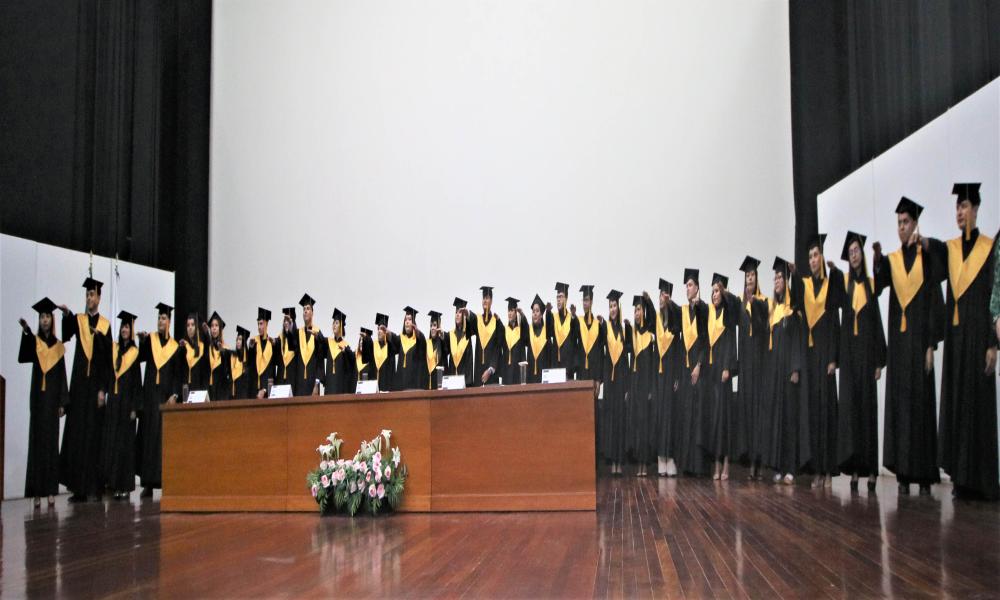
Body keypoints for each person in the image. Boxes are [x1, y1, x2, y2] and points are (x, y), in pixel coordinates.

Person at [931, 182, 998, 500]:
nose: (959, 211)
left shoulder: (989, 247)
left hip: (978, 341)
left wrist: (992, 344)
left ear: (976, 210)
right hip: (958, 343)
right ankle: (960, 477)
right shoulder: (951, 251)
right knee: (959, 405)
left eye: (965, 206)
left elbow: (992, 298)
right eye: (957, 207)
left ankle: (981, 480)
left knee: (979, 407)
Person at [872, 197, 943, 495]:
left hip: (919, 347)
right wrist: (876, 261)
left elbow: (933, 302)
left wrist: (930, 346)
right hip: (900, 349)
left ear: (915, 225)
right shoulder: (892, 261)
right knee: (901, 409)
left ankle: (925, 476)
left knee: (922, 410)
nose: (901, 227)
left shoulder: (926, 258)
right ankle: (902, 475)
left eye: (906, 222)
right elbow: (877, 287)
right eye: (899, 223)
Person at [790, 234, 844, 488]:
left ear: (822, 258)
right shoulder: (806, 287)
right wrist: (793, 275)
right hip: (810, 359)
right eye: (810, 256)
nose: (813, 260)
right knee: (812, 412)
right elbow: (795, 306)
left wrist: (834, 358)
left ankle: (827, 470)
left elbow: (834, 323)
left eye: (815, 255)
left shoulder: (829, 286)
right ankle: (816, 471)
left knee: (826, 413)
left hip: (825, 358)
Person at [834, 232, 886, 492]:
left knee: (868, 411)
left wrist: (879, 361)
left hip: (866, 358)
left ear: (861, 256)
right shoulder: (846, 287)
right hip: (850, 359)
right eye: (851, 251)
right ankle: (855, 469)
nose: (854, 254)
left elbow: (876, 323)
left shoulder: (870, 285)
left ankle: (872, 471)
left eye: (857, 251)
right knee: (853, 414)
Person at [57, 277, 111, 502]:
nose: (89, 298)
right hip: (80, 386)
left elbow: (108, 360)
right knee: (78, 435)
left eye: (92, 295)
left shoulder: (105, 326)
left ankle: (96, 487)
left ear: (99, 298)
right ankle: (78, 488)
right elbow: (67, 335)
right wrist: (67, 315)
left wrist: (103, 390)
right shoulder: (79, 320)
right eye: (87, 295)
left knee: (95, 437)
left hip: (95, 387)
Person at [17, 297, 69, 508]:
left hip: (51, 404)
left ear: (52, 319)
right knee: (37, 445)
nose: (44, 320)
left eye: (47, 316)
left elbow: (63, 377)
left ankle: (49, 492)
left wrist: (62, 403)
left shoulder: (58, 348)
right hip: (38, 402)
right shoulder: (35, 343)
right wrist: (26, 331)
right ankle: (36, 492)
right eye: (41, 317)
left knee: (50, 446)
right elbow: (24, 356)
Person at [763, 257, 809, 484]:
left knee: (790, 419)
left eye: (780, 277)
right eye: (775, 278)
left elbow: (798, 340)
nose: (777, 281)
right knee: (778, 419)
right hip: (774, 372)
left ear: (787, 281)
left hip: (789, 371)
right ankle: (780, 466)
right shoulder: (774, 310)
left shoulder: (793, 308)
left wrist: (795, 368)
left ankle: (791, 467)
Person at [135, 303, 183, 498]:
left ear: (169, 322)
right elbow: (140, 358)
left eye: (164, 318)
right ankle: (147, 483)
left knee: (162, 441)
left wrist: (174, 394)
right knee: (148, 437)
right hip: (150, 396)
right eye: (159, 318)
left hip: (164, 397)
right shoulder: (150, 340)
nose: (160, 321)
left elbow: (177, 374)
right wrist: (141, 342)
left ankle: (163, 481)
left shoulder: (174, 347)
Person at [735, 257, 770, 480]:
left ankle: (758, 461)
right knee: (746, 412)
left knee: (758, 412)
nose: (749, 279)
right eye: (747, 276)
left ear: (757, 279)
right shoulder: (739, 304)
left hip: (758, 364)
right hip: (745, 365)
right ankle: (749, 460)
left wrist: (754, 302)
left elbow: (762, 328)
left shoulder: (764, 301)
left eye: (752, 276)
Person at [701, 274, 737, 481]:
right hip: (711, 374)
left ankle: (725, 462)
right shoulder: (710, 316)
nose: (715, 295)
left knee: (724, 418)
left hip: (723, 373)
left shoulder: (728, 315)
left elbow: (731, 342)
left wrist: (727, 368)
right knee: (713, 418)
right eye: (713, 291)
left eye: (718, 291)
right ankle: (715, 460)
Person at [101, 310, 141, 499]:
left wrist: (134, 408)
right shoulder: (114, 349)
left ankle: (123, 486)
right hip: (113, 404)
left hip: (126, 405)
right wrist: (104, 392)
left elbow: (136, 383)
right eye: (123, 327)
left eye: (127, 327)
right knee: (111, 443)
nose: (125, 330)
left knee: (124, 446)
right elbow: (108, 374)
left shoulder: (134, 353)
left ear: (131, 330)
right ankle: (111, 482)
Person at [676, 269, 709, 476]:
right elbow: (681, 344)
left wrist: (699, 364)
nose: (688, 288)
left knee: (698, 417)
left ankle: (699, 467)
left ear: (697, 287)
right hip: (686, 370)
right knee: (687, 416)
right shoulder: (683, 312)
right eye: (686, 285)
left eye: (691, 285)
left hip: (700, 370)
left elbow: (706, 340)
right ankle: (687, 466)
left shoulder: (703, 308)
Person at [653, 278, 682, 477]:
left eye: (665, 295)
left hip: (671, 375)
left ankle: (670, 457)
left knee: (670, 416)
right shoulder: (655, 321)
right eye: (660, 295)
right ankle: (660, 458)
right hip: (658, 377)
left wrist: (678, 377)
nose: (661, 298)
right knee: (659, 416)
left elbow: (679, 352)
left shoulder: (675, 324)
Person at [602, 290, 632, 475]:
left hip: (621, 380)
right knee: (611, 420)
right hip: (609, 381)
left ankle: (619, 463)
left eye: (615, 306)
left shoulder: (624, 329)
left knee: (620, 421)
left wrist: (628, 385)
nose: (612, 309)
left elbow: (628, 354)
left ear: (619, 308)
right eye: (610, 306)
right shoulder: (604, 328)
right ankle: (612, 462)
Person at [628, 293, 657, 476]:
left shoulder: (649, 335)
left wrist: (647, 301)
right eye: (635, 310)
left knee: (645, 424)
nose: (637, 313)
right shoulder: (632, 334)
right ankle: (638, 463)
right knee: (637, 424)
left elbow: (653, 366)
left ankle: (645, 464)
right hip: (635, 386)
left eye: (639, 310)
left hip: (646, 386)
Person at [290, 294, 325, 396]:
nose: (305, 311)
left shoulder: (317, 333)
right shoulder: (298, 333)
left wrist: (316, 384)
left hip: (313, 384)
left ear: (312, 313)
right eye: (304, 309)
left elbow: (320, 360)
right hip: (299, 384)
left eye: (308, 308)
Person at [467, 287, 501, 385]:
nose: (485, 300)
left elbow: (497, 348)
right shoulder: (478, 320)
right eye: (483, 298)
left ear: (491, 301)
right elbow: (472, 318)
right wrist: (467, 313)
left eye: (487, 298)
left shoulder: (496, 322)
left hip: (491, 376)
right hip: (478, 374)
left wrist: (490, 370)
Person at [549, 282, 580, 378]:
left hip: (568, 367)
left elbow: (576, 337)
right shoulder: (553, 318)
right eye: (557, 297)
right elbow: (547, 334)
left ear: (566, 299)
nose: (558, 300)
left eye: (561, 297)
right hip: (555, 368)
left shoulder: (572, 318)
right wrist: (547, 313)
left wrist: (574, 316)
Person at [442, 299, 475, 387]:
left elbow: (469, 361)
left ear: (464, 315)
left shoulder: (468, 333)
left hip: (465, 381)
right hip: (452, 380)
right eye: (456, 312)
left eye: (459, 313)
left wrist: (468, 382)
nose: (457, 315)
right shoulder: (450, 335)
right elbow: (445, 352)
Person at [323, 309, 356, 395]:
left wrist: (346, 351)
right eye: (333, 323)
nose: (334, 325)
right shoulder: (328, 342)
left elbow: (351, 364)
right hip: (329, 385)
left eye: (336, 323)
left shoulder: (345, 346)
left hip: (340, 387)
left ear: (341, 326)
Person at [392, 307, 425, 391]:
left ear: (413, 322)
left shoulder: (418, 340)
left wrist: (417, 331)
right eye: (405, 319)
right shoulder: (401, 339)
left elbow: (422, 342)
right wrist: (387, 332)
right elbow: (393, 339)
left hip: (414, 385)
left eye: (410, 319)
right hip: (400, 384)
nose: (407, 321)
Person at [247, 308, 277, 399]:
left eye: (261, 324)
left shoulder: (272, 344)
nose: (259, 327)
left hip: (267, 392)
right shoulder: (254, 342)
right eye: (258, 324)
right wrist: (251, 349)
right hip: (253, 391)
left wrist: (264, 389)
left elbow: (271, 371)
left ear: (267, 324)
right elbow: (251, 367)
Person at [576, 285, 604, 383]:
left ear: (591, 302)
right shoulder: (578, 322)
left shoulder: (598, 324)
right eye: (583, 300)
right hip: (582, 374)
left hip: (594, 375)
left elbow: (601, 353)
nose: (585, 303)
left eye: (587, 300)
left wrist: (599, 379)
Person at [179, 313, 211, 395]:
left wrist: (207, 334)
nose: (190, 327)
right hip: (185, 391)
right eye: (188, 325)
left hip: (200, 391)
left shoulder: (203, 347)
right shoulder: (184, 347)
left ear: (196, 327)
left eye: (192, 325)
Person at [499, 298, 528, 385]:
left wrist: (522, 315)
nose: (510, 313)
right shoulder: (505, 330)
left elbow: (526, 330)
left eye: (512, 311)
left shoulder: (521, 330)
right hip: (506, 372)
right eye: (508, 311)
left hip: (518, 372)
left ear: (516, 313)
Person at [525, 294, 554, 384]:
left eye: (537, 311)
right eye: (533, 311)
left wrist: (548, 312)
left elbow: (550, 323)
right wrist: (522, 316)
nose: (535, 314)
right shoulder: (529, 331)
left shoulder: (546, 333)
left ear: (541, 314)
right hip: (530, 378)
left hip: (545, 377)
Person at [206, 311, 230, 401]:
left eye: (216, 325)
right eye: (212, 326)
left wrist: (222, 353)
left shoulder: (225, 349)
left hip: (221, 392)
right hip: (208, 390)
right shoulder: (206, 349)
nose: (214, 328)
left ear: (220, 329)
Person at [423, 311, 444, 390]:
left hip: (440, 386)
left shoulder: (443, 343)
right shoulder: (426, 343)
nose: (432, 328)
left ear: (439, 326)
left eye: (435, 325)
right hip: (427, 385)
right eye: (431, 325)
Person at [229, 325, 251, 400]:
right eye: (237, 339)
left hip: (243, 396)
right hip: (232, 396)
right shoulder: (232, 357)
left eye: (240, 339)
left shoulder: (248, 359)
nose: (238, 341)